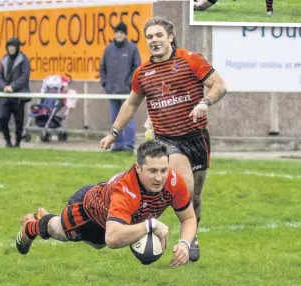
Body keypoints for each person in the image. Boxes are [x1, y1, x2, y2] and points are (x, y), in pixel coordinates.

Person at [100, 16, 227, 263]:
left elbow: (219, 86)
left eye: (159, 35)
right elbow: (132, 103)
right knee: (186, 188)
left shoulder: (191, 60)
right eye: (149, 37)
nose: (154, 40)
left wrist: (204, 103)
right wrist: (113, 132)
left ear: (170, 37)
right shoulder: (143, 72)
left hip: (197, 137)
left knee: (197, 194)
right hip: (168, 140)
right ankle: (180, 238)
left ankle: (192, 233)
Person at [15, 140, 197, 268]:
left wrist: (184, 244)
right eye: (152, 171)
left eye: (163, 170)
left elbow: (188, 217)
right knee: (58, 231)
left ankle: (43, 219)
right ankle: (31, 226)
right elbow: (112, 238)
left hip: (112, 220)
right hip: (87, 213)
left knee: (98, 244)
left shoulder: (174, 181)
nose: (159, 178)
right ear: (138, 167)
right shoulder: (126, 190)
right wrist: (150, 224)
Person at [99, 22, 141, 152]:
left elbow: (137, 68)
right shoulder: (108, 49)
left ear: (125, 34)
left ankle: (129, 146)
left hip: (127, 92)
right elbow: (102, 67)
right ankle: (118, 145)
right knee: (114, 118)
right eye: (117, 32)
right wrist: (105, 83)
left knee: (128, 118)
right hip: (112, 91)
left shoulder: (132, 48)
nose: (119, 34)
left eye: (121, 32)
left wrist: (129, 83)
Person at [0, 37, 31, 148]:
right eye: (9, 46)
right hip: (6, 95)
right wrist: (3, 87)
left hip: (18, 96)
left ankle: (17, 143)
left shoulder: (24, 59)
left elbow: (24, 76)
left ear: (17, 47)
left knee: (19, 121)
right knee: (2, 118)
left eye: (13, 46)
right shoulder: (4, 59)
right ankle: (7, 141)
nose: (11, 49)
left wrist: (13, 87)